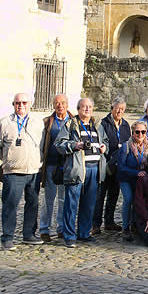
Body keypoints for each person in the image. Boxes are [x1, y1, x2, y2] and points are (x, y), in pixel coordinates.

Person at [0, 93, 44, 250]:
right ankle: (7, 237)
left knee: (32, 204)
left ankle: (29, 234)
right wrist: (9, 160)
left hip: (34, 171)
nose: (21, 105)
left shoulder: (38, 123)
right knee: (10, 205)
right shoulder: (5, 123)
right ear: (13, 104)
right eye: (17, 103)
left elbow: (42, 145)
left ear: (30, 104)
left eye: (24, 102)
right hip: (13, 172)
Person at [56, 98, 107, 248]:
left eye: (90, 107)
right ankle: (69, 236)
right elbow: (59, 144)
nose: (87, 109)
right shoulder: (71, 124)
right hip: (77, 169)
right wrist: (75, 145)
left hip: (94, 169)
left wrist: (104, 147)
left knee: (89, 204)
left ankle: (84, 233)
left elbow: (106, 142)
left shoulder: (97, 125)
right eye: (84, 107)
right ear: (78, 109)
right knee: (71, 204)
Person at [93, 95, 129, 234]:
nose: (119, 111)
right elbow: (101, 142)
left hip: (118, 166)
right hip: (105, 164)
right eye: (117, 108)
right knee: (100, 195)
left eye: (122, 109)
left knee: (114, 194)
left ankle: (109, 221)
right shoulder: (104, 123)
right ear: (111, 108)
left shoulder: (125, 125)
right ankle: (96, 223)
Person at [39, 94, 72, 243]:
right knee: (48, 199)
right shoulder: (47, 122)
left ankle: (61, 228)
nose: (60, 106)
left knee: (63, 199)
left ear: (67, 104)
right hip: (52, 165)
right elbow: (42, 144)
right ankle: (44, 229)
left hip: (67, 165)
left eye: (63, 103)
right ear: (53, 105)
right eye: (57, 103)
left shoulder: (74, 121)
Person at [116, 120, 148, 241]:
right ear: (133, 133)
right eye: (137, 132)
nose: (140, 134)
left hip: (141, 180)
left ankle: (135, 224)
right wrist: (136, 172)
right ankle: (125, 228)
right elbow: (121, 167)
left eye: (143, 132)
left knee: (139, 201)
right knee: (128, 199)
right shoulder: (126, 146)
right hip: (126, 178)